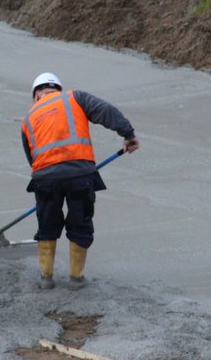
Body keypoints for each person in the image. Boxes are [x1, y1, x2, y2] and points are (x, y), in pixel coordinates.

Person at [21, 72, 139, 290]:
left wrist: (46, 177)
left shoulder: (28, 118)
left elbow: (32, 159)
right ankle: (76, 279)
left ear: (36, 94)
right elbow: (106, 111)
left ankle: (46, 278)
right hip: (79, 175)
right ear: (58, 88)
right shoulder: (75, 97)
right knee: (80, 223)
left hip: (45, 178)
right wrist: (128, 134)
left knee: (47, 224)